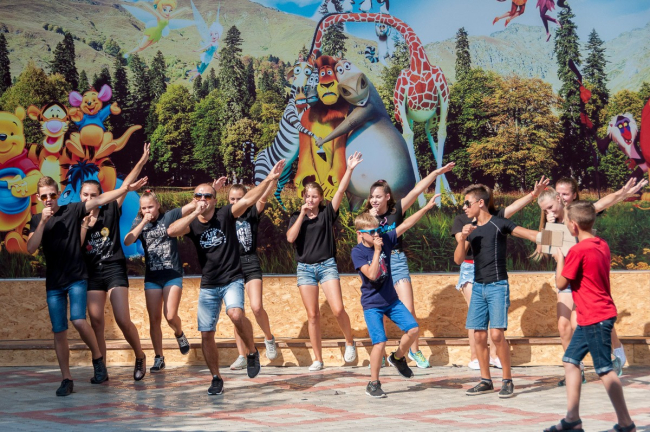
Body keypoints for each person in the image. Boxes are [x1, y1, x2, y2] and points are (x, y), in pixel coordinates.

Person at [167, 160, 285, 395]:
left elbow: (248, 200)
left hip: (232, 278)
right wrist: (194, 212)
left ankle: (252, 352)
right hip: (209, 284)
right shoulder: (192, 224)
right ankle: (216, 378)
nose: (202, 199)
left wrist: (270, 179)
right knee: (206, 333)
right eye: (198, 196)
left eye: (207, 196)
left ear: (215, 200)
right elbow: (171, 231)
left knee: (236, 314)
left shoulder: (225, 214)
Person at [27, 174, 147, 396]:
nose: (49, 199)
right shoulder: (36, 219)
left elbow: (101, 200)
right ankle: (66, 378)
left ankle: (98, 359)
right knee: (59, 331)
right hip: (54, 283)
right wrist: (43, 221)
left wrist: (126, 189)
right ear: (38, 197)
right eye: (44, 196)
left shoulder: (72, 210)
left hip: (77, 278)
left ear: (59, 194)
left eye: (52, 195)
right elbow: (31, 247)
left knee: (79, 320)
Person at [536, 177, 648, 382]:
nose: (560, 198)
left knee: (589, 319)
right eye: (557, 194)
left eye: (564, 194)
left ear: (571, 196)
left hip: (584, 278)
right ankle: (575, 370)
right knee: (563, 326)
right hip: (566, 277)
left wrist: (623, 192)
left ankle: (617, 352)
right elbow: (547, 250)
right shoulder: (550, 220)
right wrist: (550, 227)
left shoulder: (578, 214)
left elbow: (603, 203)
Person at [545, 201, 636, 432]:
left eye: (567, 221)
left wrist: (560, 259)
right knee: (570, 360)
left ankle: (626, 424)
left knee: (604, 369)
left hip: (595, 317)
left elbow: (561, 283)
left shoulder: (577, 251)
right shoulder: (601, 244)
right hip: (592, 316)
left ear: (573, 226)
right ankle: (572, 420)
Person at [451, 176, 550, 370]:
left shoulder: (498, 221)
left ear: (481, 202)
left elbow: (528, 232)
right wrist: (463, 237)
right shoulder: (464, 222)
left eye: (467, 203)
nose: (464, 207)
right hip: (473, 274)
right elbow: (458, 258)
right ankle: (478, 363)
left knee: (496, 333)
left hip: (496, 281)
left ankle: (501, 367)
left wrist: (566, 238)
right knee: (478, 327)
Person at [364, 162, 454, 368]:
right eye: (372, 197)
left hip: (396, 260)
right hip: (378, 262)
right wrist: (372, 223)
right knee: (379, 310)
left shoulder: (397, 210)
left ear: (387, 197)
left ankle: (414, 351)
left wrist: (437, 172)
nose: (374, 200)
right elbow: (361, 243)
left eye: (378, 196)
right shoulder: (367, 217)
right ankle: (380, 354)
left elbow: (417, 190)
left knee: (408, 307)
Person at [352, 195, 441, 398]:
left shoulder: (385, 240)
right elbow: (372, 274)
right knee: (379, 342)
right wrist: (377, 251)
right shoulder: (357, 252)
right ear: (360, 234)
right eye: (371, 232)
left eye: (377, 230)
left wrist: (426, 208)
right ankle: (373, 383)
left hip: (391, 301)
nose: (376, 234)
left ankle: (398, 357)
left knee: (413, 329)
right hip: (372, 304)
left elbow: (406, 225)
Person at [79, 143, 150, 381]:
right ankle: (101, 368)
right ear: (81, 197)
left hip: (114, 269)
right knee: (96, 320)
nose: (90, 199)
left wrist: (141, 161)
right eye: (86, 195)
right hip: (92, 272)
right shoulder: (76, 217)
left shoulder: (110, 209)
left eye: (94, 195)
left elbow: (125, 186)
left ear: (101, 196)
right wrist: (84, 225)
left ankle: (140, 355)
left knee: (121, 319)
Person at [287, 152, 363, 372]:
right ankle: (318, 359)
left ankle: (349, 342)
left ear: (320, 198)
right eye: (307, 196)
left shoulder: (327, 213)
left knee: (338, 309)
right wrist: (302, 215)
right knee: (312, 315)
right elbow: (291, 238)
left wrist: (350, 168)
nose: (310, 200)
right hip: (305, 269)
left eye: (314, 196)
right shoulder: (296, 216)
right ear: (303, 197)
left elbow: (340, 190)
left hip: (327, 265)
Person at [124, 189, 198, 373]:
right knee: (154, 319)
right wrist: (143, 222)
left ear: (157, 205)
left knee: (170, 315)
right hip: (153, 277)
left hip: (172, 273)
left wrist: (204, 197)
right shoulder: (139, 221)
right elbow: (128, 241)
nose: (147, 211)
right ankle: (159, 357)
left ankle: (179, 333)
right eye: (144, 208)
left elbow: (190, 206)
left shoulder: (168, 216)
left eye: (150, 207)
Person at [224, 182, 279, 370]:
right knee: (237, 313)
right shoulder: (225, 216)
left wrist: (272, 180)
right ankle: (242, 355)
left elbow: (262, 198)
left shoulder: (251, 213)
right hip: (232, 265)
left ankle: (269, 338)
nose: (235, 202)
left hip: (250, 262)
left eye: (239, 198)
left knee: (256, 307)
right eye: (232, 199)